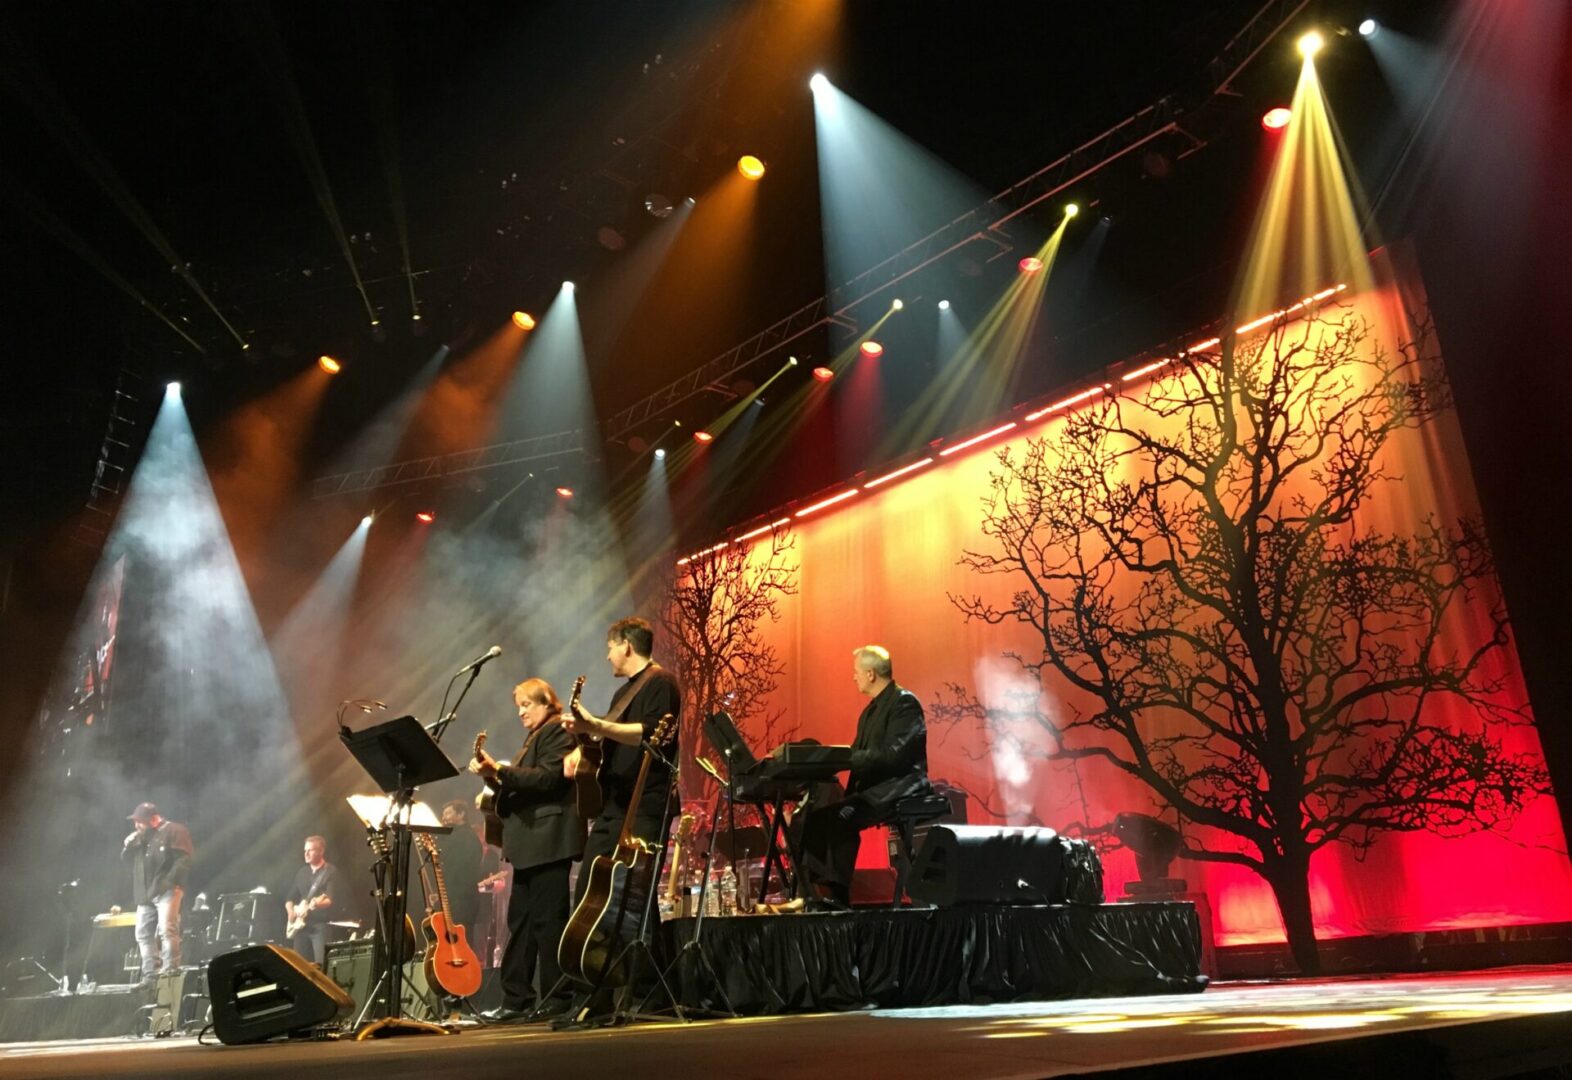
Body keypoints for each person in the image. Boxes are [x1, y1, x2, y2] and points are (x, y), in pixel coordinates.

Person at [470, 677, 583, 1021]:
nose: (520, 712)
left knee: (549, 922)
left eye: (526, 704)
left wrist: (500, 771)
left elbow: (549, 778)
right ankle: (516, 1000)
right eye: (518, 706)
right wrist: (493, 778)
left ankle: (556, 996)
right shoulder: (535, 737)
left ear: (548, 702)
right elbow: (524, 782)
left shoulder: (557, 732)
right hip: (530, 843)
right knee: (520, 923)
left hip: (548, 838)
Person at [796, 645, 932, 907]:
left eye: (856, 672)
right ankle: (813, 894)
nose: (853, 677)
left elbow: (894, 755)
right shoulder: (870, 712)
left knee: (840, 818)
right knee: (819, 817)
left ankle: (837, 897)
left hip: (900, 788)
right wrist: (825, 766)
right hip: (877, 789)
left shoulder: (905, 703)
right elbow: (857, 755)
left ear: (871, 674)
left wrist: (844, 760)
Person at [561, 617, 681, 898]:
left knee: (633, 897)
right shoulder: (622, 693)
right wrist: (583, 743)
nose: (607, 655)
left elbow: (650, 733)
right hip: (614, 806)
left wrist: (595, 725)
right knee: (588, 893)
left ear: (626, 646)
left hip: (644, 806)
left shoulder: (662, 683)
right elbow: (611, 737)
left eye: (611, 647)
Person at [121, 802, 194, 985]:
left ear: (154, 819)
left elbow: (184, 859)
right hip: (145, 893)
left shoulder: (174, 830)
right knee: (143, 934)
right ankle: (150, 974)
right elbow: (127, 861)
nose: (137, 826)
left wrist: (169, 882)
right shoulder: (140, 838)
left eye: (140, 822)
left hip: (166, 890)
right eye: (135, 822)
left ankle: (170, 972)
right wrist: (128, 846)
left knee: (167, 929)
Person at [284, 835, 340, 965]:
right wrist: (291, 912)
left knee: (321, 964)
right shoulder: (302, 872)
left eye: (310, 850)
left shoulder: (330, 871)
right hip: (301, 927)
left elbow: (329, 899)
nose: (306, 854)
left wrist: (316, 904)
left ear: (321, 851)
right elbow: (290, 898)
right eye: (305, 850)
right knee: (299, 965)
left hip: (319, 926)